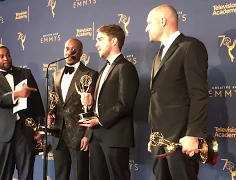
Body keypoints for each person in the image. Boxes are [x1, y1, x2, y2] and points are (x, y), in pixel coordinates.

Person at [145, 4, 209, 180]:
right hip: (160, 141)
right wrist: (154, 134)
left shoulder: (190, 47)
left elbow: (199, 94)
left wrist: (193, 134)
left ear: (163, 21)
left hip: (181, 140)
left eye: (149, 23)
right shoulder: (158, 55)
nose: (146, 28)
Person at [80, 24, 139, 180]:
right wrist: (90, 102)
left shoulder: (125, 68)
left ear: (113, 41)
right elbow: (102, 103)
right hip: (97, 136)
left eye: (100, 39)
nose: (96, 44)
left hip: (116, 137)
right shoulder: (102, 70)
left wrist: (99, 120)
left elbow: (125, 103)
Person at [0, 44, 45, 180]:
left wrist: (40, 129)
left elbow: (37, 103)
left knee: (26, 173)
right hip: (3, 134)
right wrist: (16, 94)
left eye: (8, 55)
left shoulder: (25, 73)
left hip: (25, 131)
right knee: (4, 174)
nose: (6, 58)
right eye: (2, 56)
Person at [48, 38, 98, 180]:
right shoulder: (56, 74)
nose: (69, 52)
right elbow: (54, 100)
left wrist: (87, 135)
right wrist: (50, 114)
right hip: (58, 134)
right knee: (60, 175)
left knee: (79, 176)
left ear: (81, 53)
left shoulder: (90, 75)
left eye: (74, 50)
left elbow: (93, 108)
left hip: (79, 135)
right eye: (67, 48)